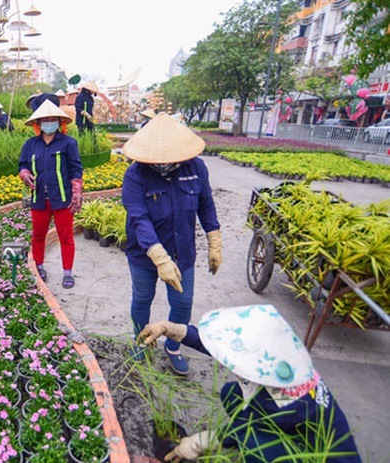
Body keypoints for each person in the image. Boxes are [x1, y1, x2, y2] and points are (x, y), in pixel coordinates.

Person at [138, 304, 361, 463]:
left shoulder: (286, 400)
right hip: (288, 424)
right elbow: (219, 346)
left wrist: (203, 442)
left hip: (316, 454)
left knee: (254, 443)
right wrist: (174, 330)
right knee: (232, 392)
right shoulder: (277, 362)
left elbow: (245, 428)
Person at [121, 112, 222, 371]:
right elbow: (138, 218)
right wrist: (158, 257)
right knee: (142, 298)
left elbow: (206, 206)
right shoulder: (135, 175)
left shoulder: (195, 168)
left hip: (182, 252)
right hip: (144, 254)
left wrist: (215, 241)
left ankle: (173, 346)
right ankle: (141, 341)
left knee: (183, 302)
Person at [18, 99, 83, 288]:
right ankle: (39, 266)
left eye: (52, 119)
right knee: (38, 235)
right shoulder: (30, 144)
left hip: (63, 199)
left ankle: (68, 272)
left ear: (59, 122)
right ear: (37, 124)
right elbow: (23, 164)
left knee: (66, 236)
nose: (49, 123)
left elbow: (76, 169)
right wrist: (24, 173)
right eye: (44, 120)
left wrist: (77, 190)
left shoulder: (69, 143)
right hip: (39, 199)